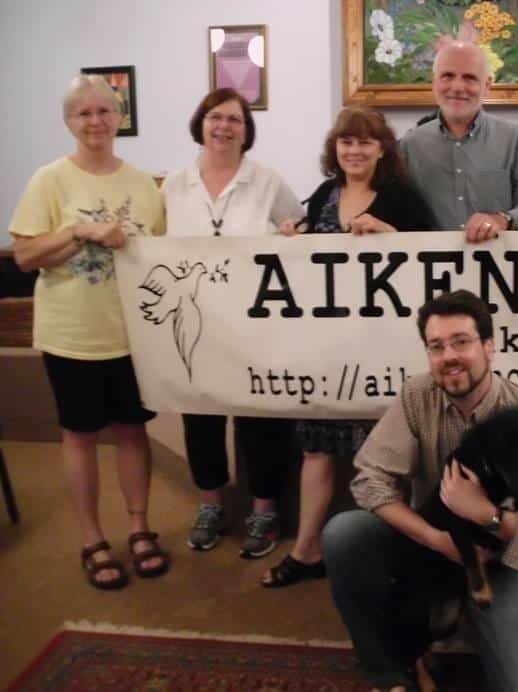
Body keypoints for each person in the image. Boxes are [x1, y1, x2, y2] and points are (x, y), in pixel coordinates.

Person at [322, 290, 518, 692]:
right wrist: (437, 540)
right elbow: (369, 478)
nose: (448, 356)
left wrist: (485, 514)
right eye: (436, 346)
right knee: (344, 535)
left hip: (497, 558)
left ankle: (466, 615)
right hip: (431, 541)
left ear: (490, 348)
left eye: (461, 342)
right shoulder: (418, 394)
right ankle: (389, 671)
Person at [260, 106, 435, 588]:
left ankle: (380, 553)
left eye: (365, 142)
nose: (354, 150)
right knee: (317, 449)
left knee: (384, 455)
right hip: (326, 348)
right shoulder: (323, 195)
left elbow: (431, 258)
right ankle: (306, 549)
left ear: (383, 149)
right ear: (334, 149)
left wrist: (389, 235)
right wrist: (289, 236)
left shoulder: (401, 197)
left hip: (383, 350)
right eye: (346, 142)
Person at [9, 74, 167, 589]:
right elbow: (27, 256)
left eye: (105, 111)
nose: (96, 121)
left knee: (131, 431)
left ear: (119, 117)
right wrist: (78, 231)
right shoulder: (49, 180)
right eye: (85, 113)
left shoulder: (144, 184)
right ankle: (92, 539)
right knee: (79, 437)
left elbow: (162, 256)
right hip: (72, 333)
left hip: (131, 335)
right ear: (69, 122)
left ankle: (140, 528)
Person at [161, 88, 304, 558]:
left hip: (254, 327)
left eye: (235, 120)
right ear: (200, 123)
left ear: (248, 130)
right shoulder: (174, 185)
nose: (224, 127)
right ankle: (210, 505)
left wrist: (289, 235)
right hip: (196, 324)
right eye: (215, 117)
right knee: (199, 417)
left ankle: (264, 509)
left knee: (260, 419)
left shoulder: (267, 182)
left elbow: (300, 230)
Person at [399, 40, 518, 239]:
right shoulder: (409, 146)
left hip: (497, 265)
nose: (458, 87)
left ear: (487, 85)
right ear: (434, 82)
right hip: (430, 267)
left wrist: (502, 220)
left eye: (469, 78)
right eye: (448, 76)